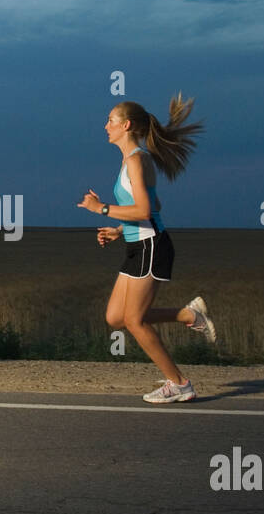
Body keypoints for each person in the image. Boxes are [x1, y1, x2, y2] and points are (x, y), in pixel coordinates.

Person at [78, 94, 216, 404]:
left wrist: (101, 209)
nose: (105, 126)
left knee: (135, 321)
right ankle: (187, 314)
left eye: (111, 121)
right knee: (116, 317)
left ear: (125, 125)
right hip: (137, 244)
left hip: (151, 246)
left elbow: (142, 210)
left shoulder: (137, 160)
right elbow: (154, 205)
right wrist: (117, 230)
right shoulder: (131, 160)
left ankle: (179, 383)